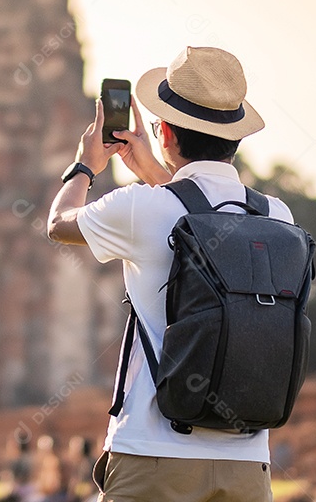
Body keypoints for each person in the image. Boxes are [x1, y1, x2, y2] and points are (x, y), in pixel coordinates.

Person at [48, 47, 290, 502]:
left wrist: (85, 165)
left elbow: (58, 224)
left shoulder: (141, 207)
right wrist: (155, 172)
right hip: (248, 459)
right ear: (234, 138)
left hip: (154, 451)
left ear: (164, 131)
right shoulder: (277, 215)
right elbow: (201, 217)